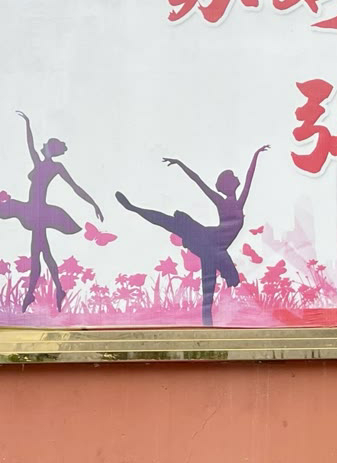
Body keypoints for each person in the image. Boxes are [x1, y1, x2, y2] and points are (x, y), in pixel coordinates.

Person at [115, 147, 268, 327]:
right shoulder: (221, 201)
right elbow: (198, 181)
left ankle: (207, 325)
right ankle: (133, 208)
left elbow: (249, 175)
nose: (237, 177)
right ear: (228, 185)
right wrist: (180, 164)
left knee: (209, 288)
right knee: (170, 222)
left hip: (216, 248)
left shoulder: (238, 202)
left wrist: (256, 154)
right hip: (209, 239)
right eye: (233, 176)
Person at [1, 111, 104, 312]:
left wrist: (93, 203)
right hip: (33, 210)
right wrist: (28, 124)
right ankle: (56, 290)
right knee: (43, 252)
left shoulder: (54, 167)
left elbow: (75, 187)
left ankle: (33, 294)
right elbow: (30, 145)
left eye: (45, 145)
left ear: (49, 149)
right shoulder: (41, 163)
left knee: (38, 253)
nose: (41, 146)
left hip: (37, 212)